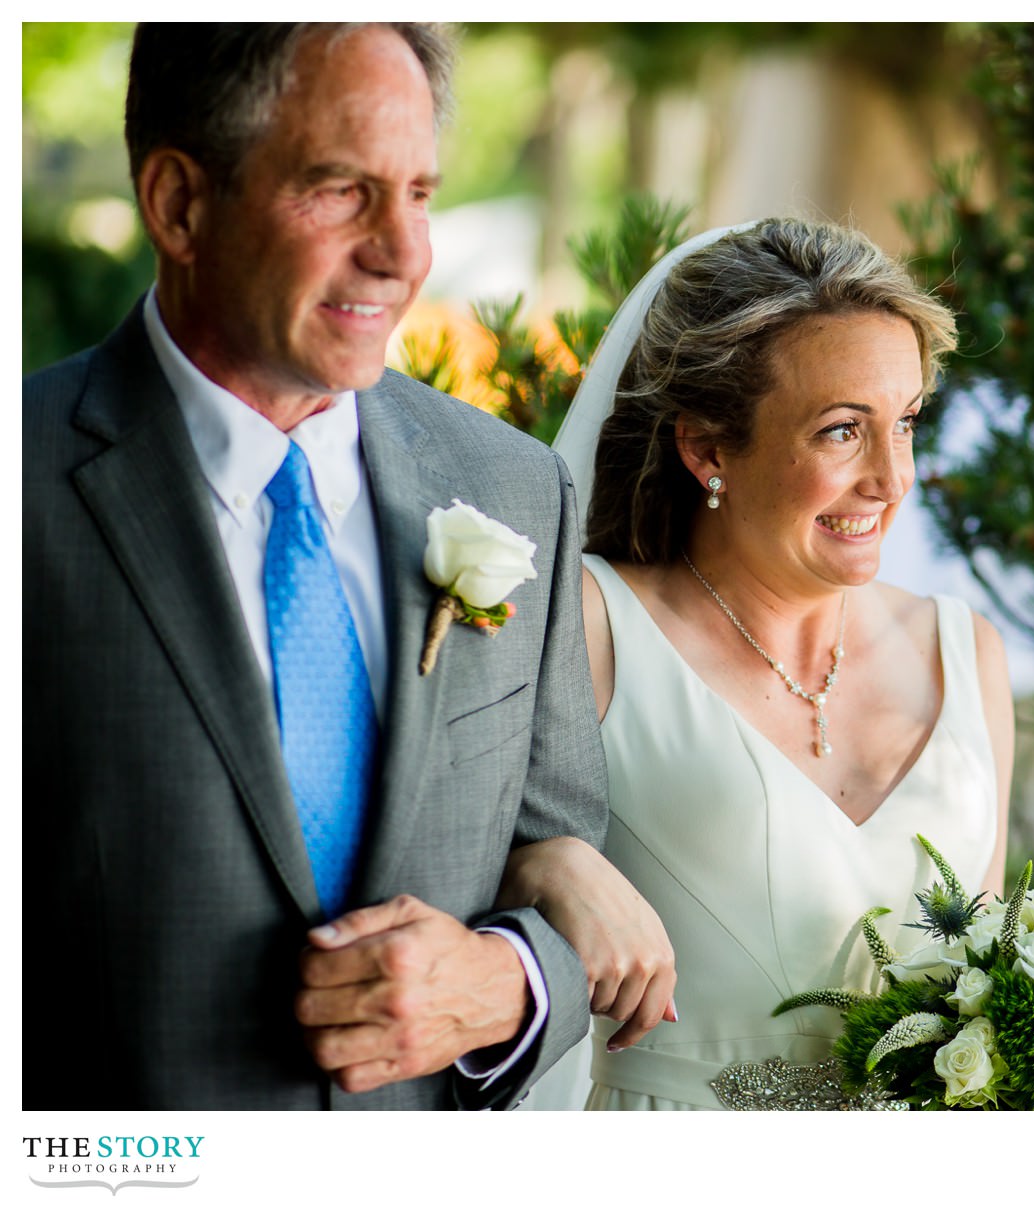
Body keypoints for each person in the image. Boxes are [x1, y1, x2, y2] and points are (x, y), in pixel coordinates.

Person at [21, 22, 666, 1110]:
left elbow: (555, 848)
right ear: (179, 203)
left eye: (417, 193)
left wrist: (511, 988)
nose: (405, 252)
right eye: (339, 190)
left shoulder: (510, 487)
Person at [503, 218, 1014, 1109]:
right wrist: (543, 865)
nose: (893, 479)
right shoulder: (589, 626)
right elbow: (437, 874)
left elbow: (993, 977)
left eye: (906, 423)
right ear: (707, 449)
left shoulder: (966, 651)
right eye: (842, 432)